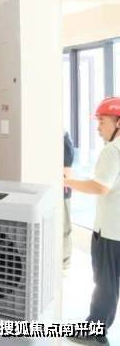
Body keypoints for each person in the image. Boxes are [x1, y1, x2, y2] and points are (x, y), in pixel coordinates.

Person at [66, 97, 120, 345]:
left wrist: (66, 181)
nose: (98, 128)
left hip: (110, 231)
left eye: (102, 121)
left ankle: (94, 332)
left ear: (118, 123)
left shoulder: (113, 150)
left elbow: (100, 186)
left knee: (105, 283)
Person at [64, 131, 75, 270]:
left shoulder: (64, 142)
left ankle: (64, 264)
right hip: (63, 191)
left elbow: (66, 170)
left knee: (65, 229)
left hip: (64, 191)